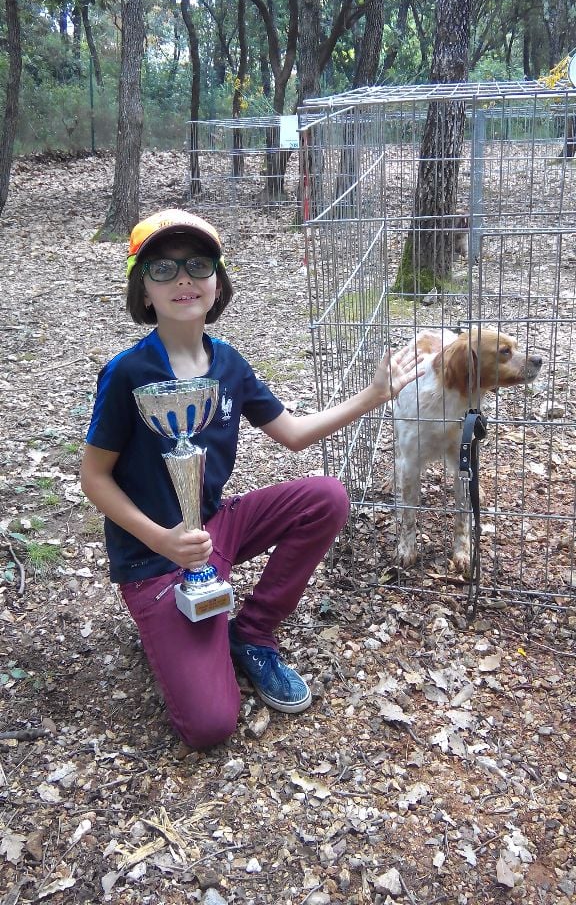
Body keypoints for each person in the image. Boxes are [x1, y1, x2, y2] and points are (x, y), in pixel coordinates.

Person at [81, 208, 423, 752]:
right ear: (143, 289)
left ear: (217, 284)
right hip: (152, 559)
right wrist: (162, 539)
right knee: (211, 724)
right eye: (162, 269)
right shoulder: (128, 373)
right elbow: (93, 478)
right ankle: (179, 629)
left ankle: (252, 631)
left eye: (197, 264)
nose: (183, 279)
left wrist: (374, 396)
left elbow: (292, 433)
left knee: (326, 497)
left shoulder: (230, 365)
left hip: (213, 529)